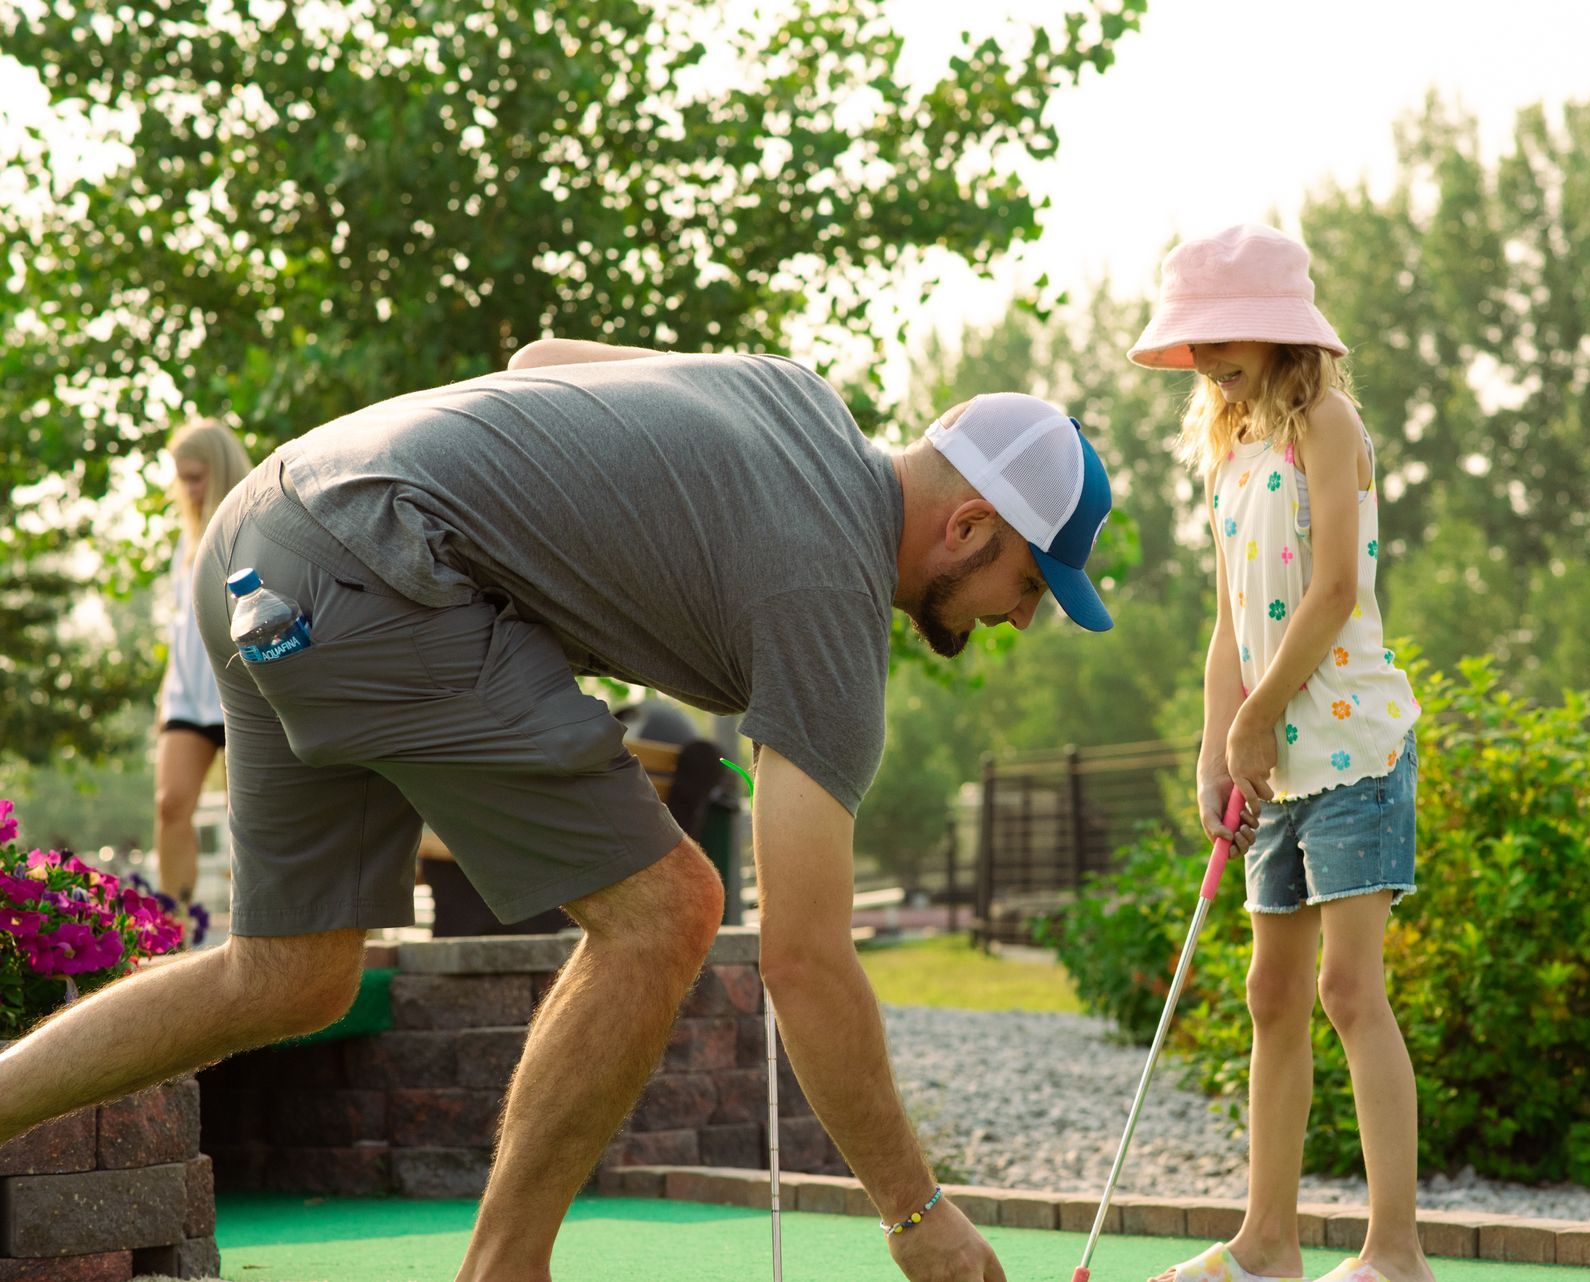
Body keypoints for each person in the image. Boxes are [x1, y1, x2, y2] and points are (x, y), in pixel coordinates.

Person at [0, 339, 1114, 1282]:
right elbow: (807, 960)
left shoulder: (795, 395)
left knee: (291, 974)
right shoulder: (828, 593)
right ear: (969, 528)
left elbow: (538, 362)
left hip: (261, 532)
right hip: (382, 568)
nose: (1019, 618)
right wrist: (917, 1217)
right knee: (670, 908)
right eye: (1030, 583)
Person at [1127, 226, 1431, 1282]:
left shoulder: (1328, 426)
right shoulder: (1231, 453)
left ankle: (1394, 1252)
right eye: (1192, 340)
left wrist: (1258, 717)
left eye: (1218, 336)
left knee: (1350, 991)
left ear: (1272, 329)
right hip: (1276, 768)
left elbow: (1337, 587)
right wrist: (1220, 750)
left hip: (1352, 747)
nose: (1204, 358)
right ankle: (1269, 1244)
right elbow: (1229, 625)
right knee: (1271, 994)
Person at [153, 420, 252, 930]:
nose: (187, 489)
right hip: (188, 701)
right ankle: (171, 931)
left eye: (195, 478)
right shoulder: (182, 543)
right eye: (182, 479)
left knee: (251, 820)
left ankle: (254, 928)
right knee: (171, 804)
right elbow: (180, 634)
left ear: (220, 470)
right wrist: (162, 703)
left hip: (244, 692)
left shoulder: (250, 526)